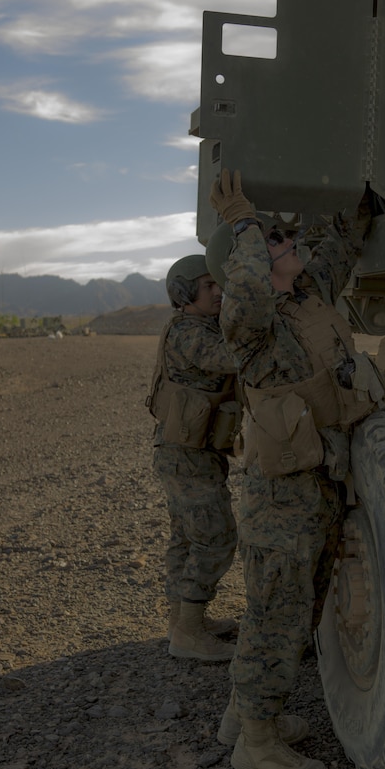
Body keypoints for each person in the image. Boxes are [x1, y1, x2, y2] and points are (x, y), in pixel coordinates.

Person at [206, 169, 385, 769]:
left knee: (298, 611)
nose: (285, 241)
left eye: (283, 235)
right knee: (275, 617)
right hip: (282, 495)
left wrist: (360, 200)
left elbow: (339, 244)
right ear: (244, 260)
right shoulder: (251, 322)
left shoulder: (310, 296)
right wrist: (244, 222)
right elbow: (252, 288)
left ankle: (246, 715)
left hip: (320, 485)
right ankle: (255, 745)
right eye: (273, 238)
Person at [147, 253, 242, 662]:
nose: (218, 290)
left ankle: (182, 621)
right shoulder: (189, 333)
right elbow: (232, 359)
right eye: (208, 286)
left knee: (186, 539)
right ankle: (187, 631)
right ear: (186, 294)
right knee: (217, 538)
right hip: (187, 457)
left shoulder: (197, 325)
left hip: (188, 453)